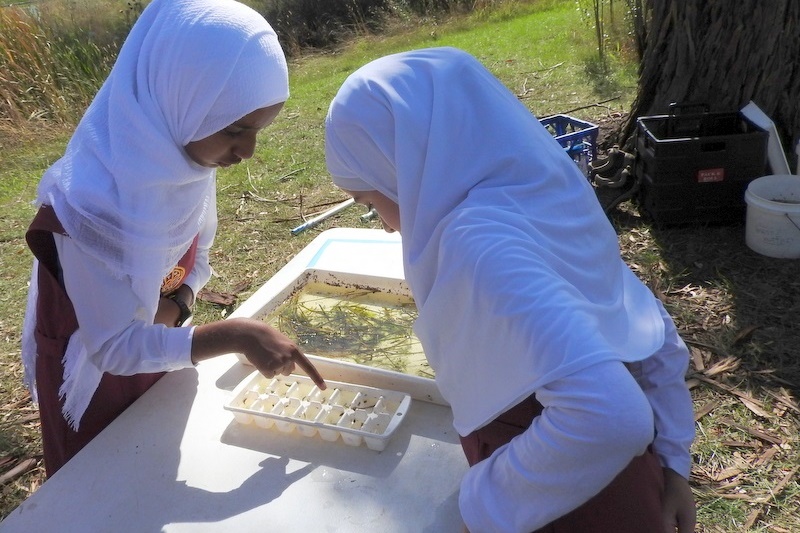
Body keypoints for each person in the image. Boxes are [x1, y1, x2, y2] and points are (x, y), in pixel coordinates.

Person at [324, 47, 696, 533]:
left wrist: (482, 503)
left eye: (371, 201)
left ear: (406, 166)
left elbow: (609, 418)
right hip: (630, 483)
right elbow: (653, 335)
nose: (389, 227)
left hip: (567, 506)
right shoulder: (542, 189)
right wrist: (673, 463)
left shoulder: (477, 245)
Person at [21, 0, 325, 477]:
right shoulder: (91, 206)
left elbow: (198, 256)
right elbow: (112, 348)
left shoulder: (184, 166)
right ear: (178, 98)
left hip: (158, 346)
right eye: (236, 129)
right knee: (101, 484)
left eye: (257, 130)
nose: (247, 151)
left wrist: (177, 306)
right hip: (93, 375)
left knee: (152, 464)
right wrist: (230, 333)